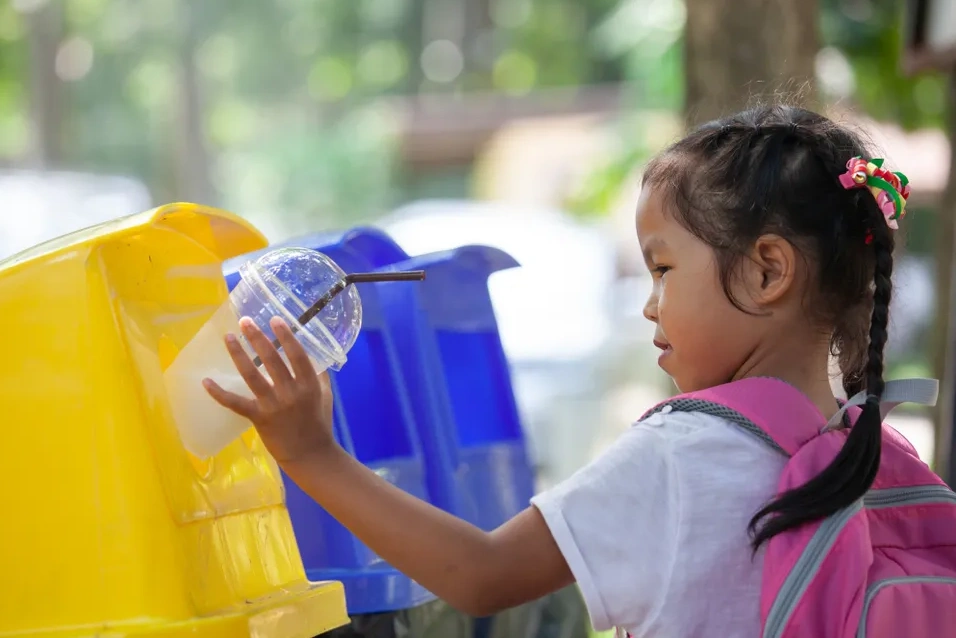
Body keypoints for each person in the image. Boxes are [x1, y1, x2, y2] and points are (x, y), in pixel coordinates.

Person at [203, 104, 915, 637]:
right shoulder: (875, 454)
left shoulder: (683, 454)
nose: (648, 306)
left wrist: (310, 452)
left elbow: (481, 577)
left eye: (663, 268)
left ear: (768, 272)